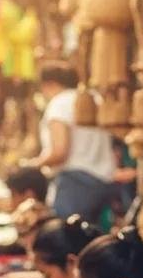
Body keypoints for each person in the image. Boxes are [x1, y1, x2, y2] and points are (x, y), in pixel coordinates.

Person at [28, 63, 117, 224]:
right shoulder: (94, 98)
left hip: (75, 184)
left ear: (50, 84)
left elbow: (60, 151)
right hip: (103, 182)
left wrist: (32, 164)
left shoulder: (59, 104)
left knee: (68, 240)